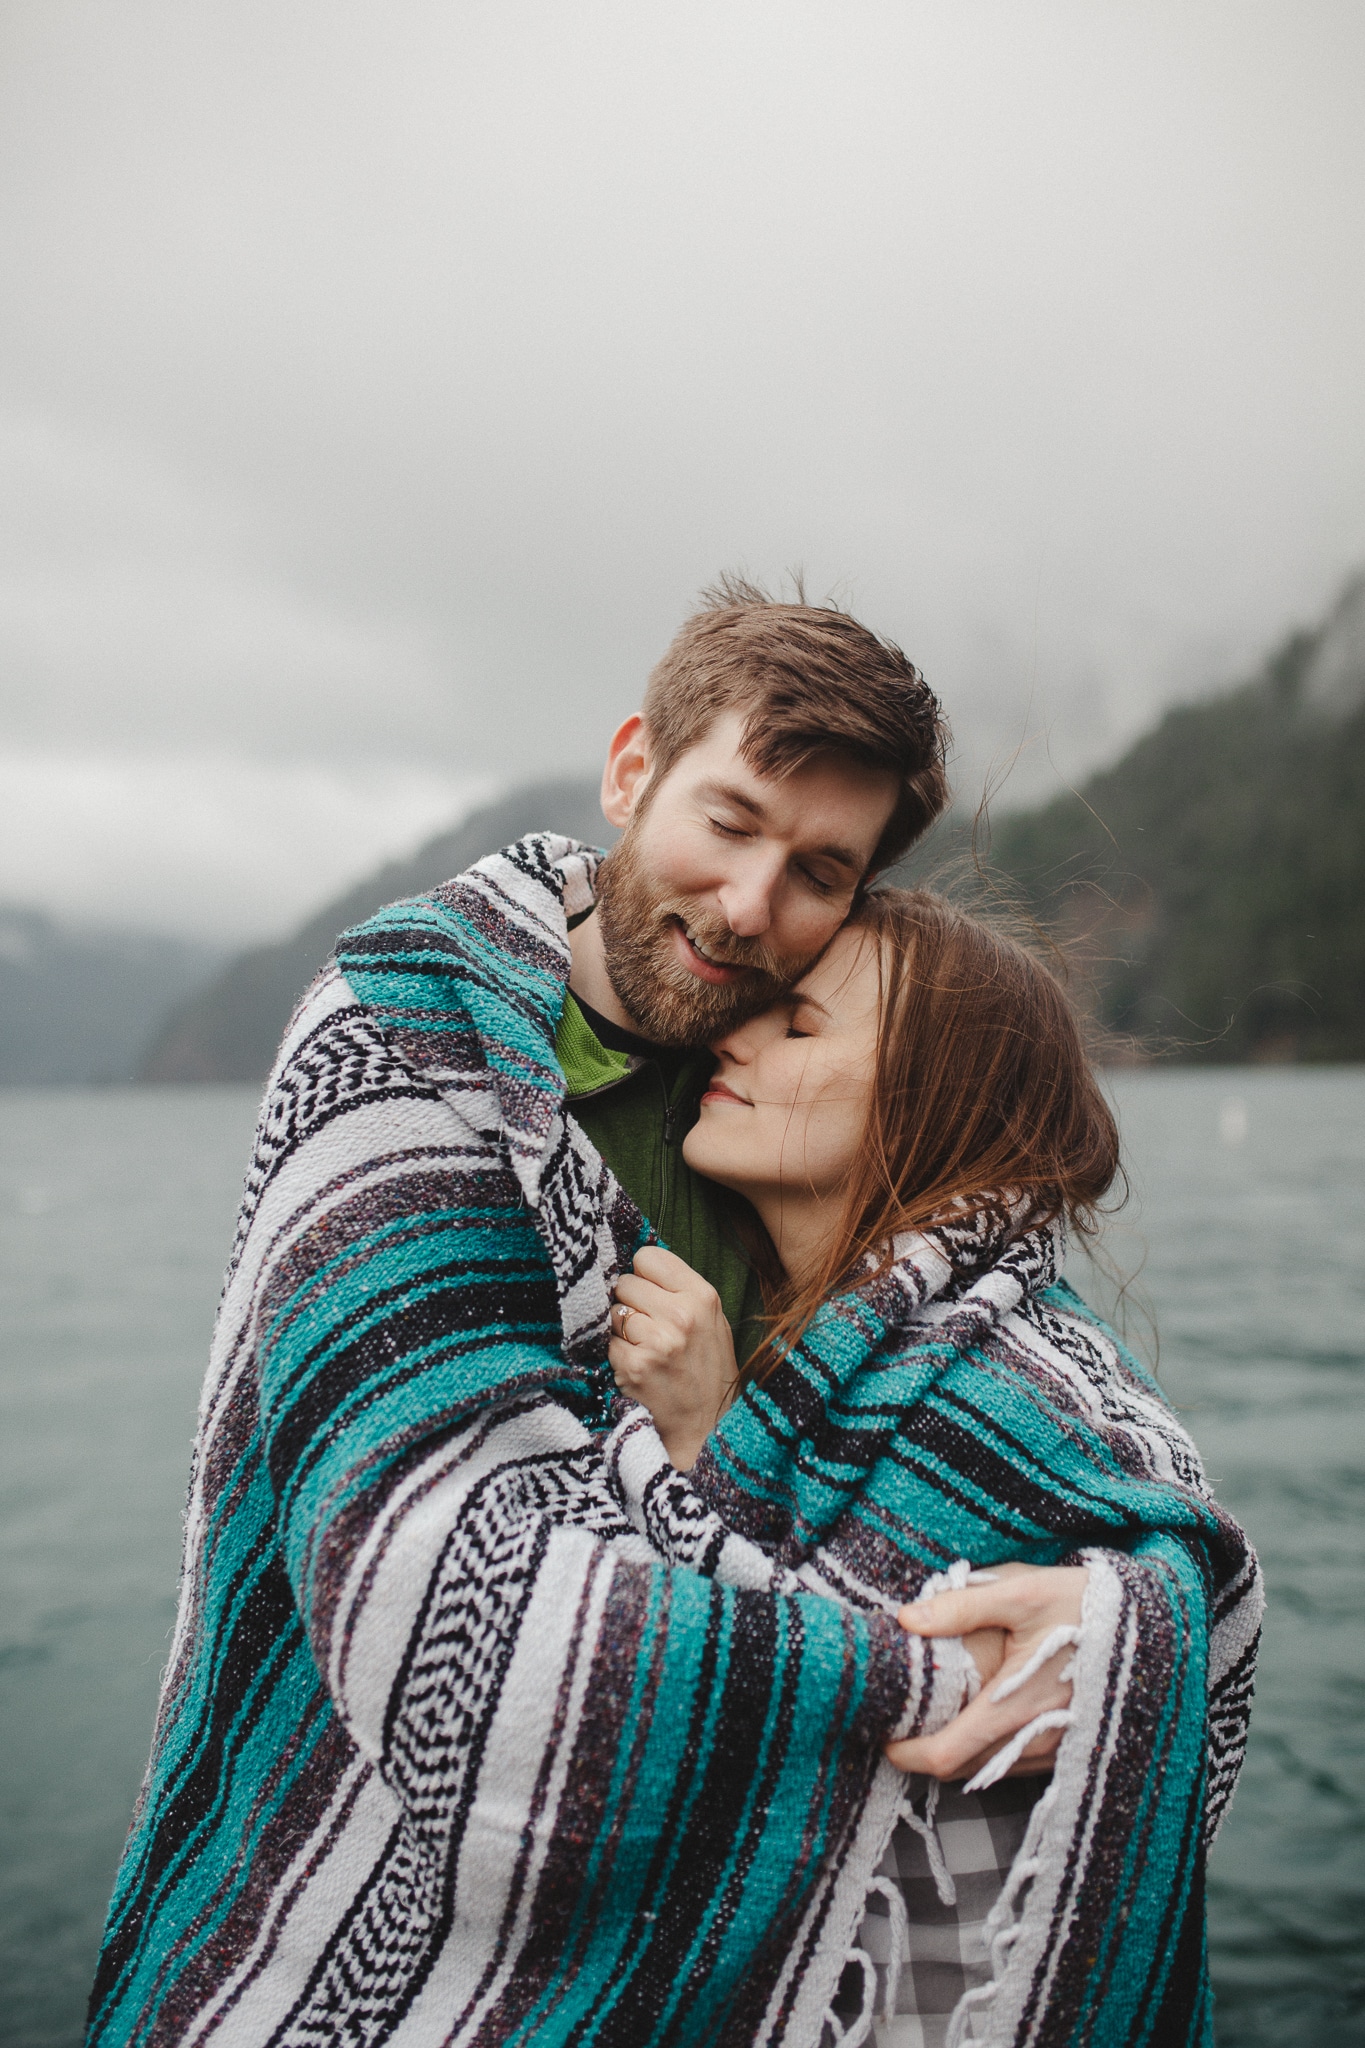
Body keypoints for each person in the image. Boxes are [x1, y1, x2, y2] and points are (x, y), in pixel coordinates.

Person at [87, 586, 1228, 2048]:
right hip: (351, 1900)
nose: (754, 910)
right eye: (730, 821)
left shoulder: (751, 1107)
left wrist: (1121, 1621)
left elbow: (974, 1422)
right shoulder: (407, 1045)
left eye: (820, 871)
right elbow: (460, 1636)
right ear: (633, 769)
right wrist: (964, 1661)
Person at [603, 888, 1263, 2042]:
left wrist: (707, 1443)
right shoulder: (806, 1346)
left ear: (924, 1103)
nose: (736, 1034)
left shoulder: (1012, 1384)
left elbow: (831, 1733)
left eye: (797, 1027)